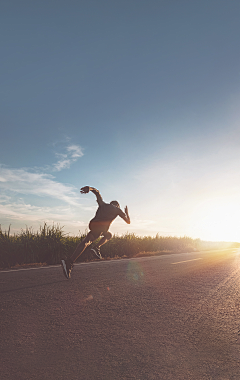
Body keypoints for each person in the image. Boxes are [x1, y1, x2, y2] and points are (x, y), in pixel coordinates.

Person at [61, 186, 130, 279]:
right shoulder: (118, 210)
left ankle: (69, 262)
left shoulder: (103, 205)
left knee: (86, 241)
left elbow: (97, 192)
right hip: (101, 228)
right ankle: (96, 247)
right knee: (109, 235)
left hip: (93, 225)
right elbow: (128, 222)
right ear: (117, 205)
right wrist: (127, 213)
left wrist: (89, 189)